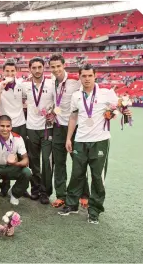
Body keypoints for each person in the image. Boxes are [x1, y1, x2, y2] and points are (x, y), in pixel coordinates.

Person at [59, 64, 133, 224]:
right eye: (83, 76)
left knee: (97, 177)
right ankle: (72, 205)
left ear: (95, 76)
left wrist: (121, 112)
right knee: (77, 174)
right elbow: (73, 117)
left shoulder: (106, 93)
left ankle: (94, 210)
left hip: (100, 141)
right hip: (80, 140)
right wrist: (68, 138)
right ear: (79, 77)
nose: (86, 79)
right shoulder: (76, 96)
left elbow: (120, 107)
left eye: (89, 76)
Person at [48, 54, 90, 208]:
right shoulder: (52, 83)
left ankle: (84, 194)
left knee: (78, 163)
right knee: (59, 164)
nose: (56, 69)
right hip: (58, 127)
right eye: (53, 66)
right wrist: (52, 112)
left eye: (58, 66)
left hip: (75, 128)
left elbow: (89, 89)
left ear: (64, 65)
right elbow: (56, 103)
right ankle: (61, 195)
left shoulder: (75, 80)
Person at [0, 59, 28, 197]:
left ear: (16, 72)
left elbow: (27, 98)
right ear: (3, 72)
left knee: (20, 156)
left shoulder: (22, 85)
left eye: (12, 71)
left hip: (20, 124)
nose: (10, 73)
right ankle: (4, 185)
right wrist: (0, 91)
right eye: (7, 71)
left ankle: (21, 188)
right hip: (4, 126)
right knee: (3, 156)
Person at [21, 57, 55, 204]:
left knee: (46, 161)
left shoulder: (52, 84)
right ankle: (35, 189)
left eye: (39, 67)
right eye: (33, 67)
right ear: (30, 69)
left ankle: (45, 192)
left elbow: (58, 103)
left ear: (44, 68)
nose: (37, 70)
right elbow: (21, 102)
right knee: (34, 161)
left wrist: (54, 113)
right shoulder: (25, 86)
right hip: (31, 128)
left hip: (48, 128)